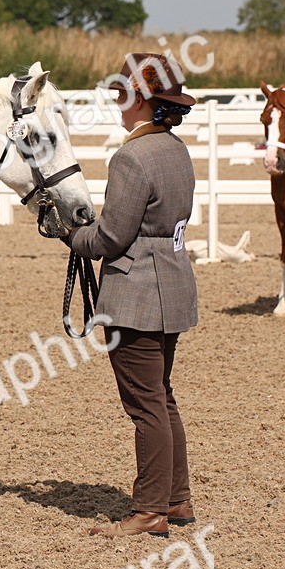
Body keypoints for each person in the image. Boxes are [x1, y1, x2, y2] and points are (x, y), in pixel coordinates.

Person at [65, 53, 199, 539]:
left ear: (141, 101)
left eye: (123, 95)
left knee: (145, 405)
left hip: (137, 291)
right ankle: (177, 499)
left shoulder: (131, 157)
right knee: (161, 398)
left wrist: (69, 236)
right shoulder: (175, 149)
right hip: (173, 284)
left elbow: (110, 238)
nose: (118, 104)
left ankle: (149, 510)